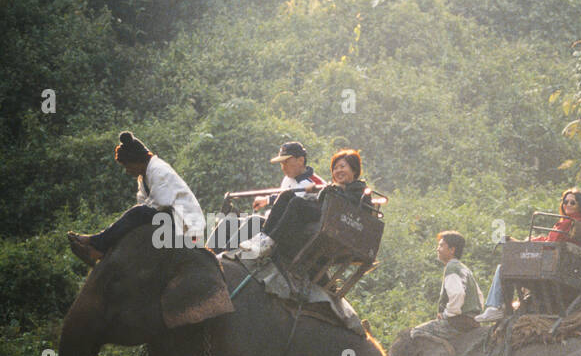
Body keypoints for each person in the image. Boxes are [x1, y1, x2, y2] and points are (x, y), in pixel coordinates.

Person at [67, 131, 205, 265]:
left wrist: (137, 214)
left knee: (137, 213)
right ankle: (99, 245)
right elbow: (144, 202)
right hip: (171, 217)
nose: (127, 170)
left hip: (185, 223)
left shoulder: (158, 170)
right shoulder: (144, 176)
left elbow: (161, 203)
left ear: (137, 161)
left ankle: (96, 245)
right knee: (137, 214)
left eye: (128, 165)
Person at [476, 188, 581, 322]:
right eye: (565, 202)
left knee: (504, 267)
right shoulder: (574, 223)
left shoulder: (569, 223)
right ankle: (500, 306)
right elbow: (550, 240)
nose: (568, 205)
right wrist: (527, 241)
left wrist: (526, 244)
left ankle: (496, 307)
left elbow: (552, 243)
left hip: (550, 264)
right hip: (556, 262)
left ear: (580, 206)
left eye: (573, 203)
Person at [239, 148, 373, 258]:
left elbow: (348, 204)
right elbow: (323, 198)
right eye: (335, 168)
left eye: (342, 167)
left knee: (297, 202)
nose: (338, 171)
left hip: (336, 221)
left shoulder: (359, 189)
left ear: (354, 170)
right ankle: (264, 236)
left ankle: (271, 241)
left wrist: (330, 189)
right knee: (287, 195)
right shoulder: (336, 187)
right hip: (325, 213)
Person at [429, 230, 485, 332]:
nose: (438, 249)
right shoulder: (464, 268)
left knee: (416, 332)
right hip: (474, 320)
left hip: (459, 321)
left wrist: (447, 314)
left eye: (441, 246)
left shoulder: (452, 267)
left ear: (452, 250)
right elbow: (480, 296)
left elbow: (457, 294)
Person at [251, 141, 325, 211]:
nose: (283, 167)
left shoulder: (317, 185)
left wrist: (268, 200)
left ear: (300, 161)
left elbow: (289, 203)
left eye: (286, 162)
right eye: (281, 163)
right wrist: (266, 200)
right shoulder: (287, 178)